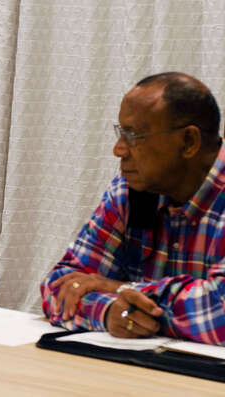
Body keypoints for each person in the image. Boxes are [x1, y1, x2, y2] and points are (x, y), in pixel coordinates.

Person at [40, 72, 225, 345]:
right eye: (120, 133)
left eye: (134, 136)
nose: (118, 150)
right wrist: (109, 312)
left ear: (188, 142)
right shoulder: (131, 190)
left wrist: (121, 289)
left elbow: (218, 314)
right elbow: (59, 285)